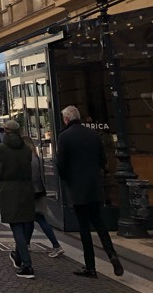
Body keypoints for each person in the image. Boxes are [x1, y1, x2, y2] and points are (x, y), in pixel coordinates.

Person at [56, 105, 124, 278]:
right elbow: (102, 159)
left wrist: (66, 178)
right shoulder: (93, 134)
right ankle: (112, 254)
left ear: (66, 119)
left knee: (84, 227)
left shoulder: (64, 137)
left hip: (77, 187)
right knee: (99, 223)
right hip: (94, 185)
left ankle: (90, 266)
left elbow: (61, 164)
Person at [0, 120, 35, 279]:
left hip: (9, 189)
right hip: (26, 188)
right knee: (26, 223)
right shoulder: (27, 149)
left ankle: (26, 264)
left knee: (17, 227)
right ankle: (19, 255)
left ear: (6, 131)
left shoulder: (0, 148)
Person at [23, 135, 64, 258]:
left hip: (32, 192)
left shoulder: (27, 159)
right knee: (31, 218)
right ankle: (26, 244)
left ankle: (56, 245)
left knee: (39, 219)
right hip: (40, 191)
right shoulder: (36, 157)